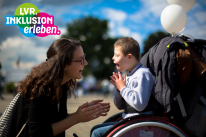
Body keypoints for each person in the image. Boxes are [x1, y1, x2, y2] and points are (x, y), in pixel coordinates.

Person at [7, 38, 110, 137]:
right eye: (81, 60)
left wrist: (82, 113)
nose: (85, 63)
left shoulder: (61, 86)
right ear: (64, 64)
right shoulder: (39, 90)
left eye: (84, 57)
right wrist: (75, 118)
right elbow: (37, 133)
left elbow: (60, 120)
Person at [90, 37, 156, 137]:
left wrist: (123, 88)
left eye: (116, 55)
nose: (113, 58)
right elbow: (120, 106)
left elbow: (140, 105)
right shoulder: (129, 75)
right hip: (129, 121)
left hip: (139, 124)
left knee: (96, 133)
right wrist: (118, 89)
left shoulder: (142, 74)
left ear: (129, 57)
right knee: (95, 129)